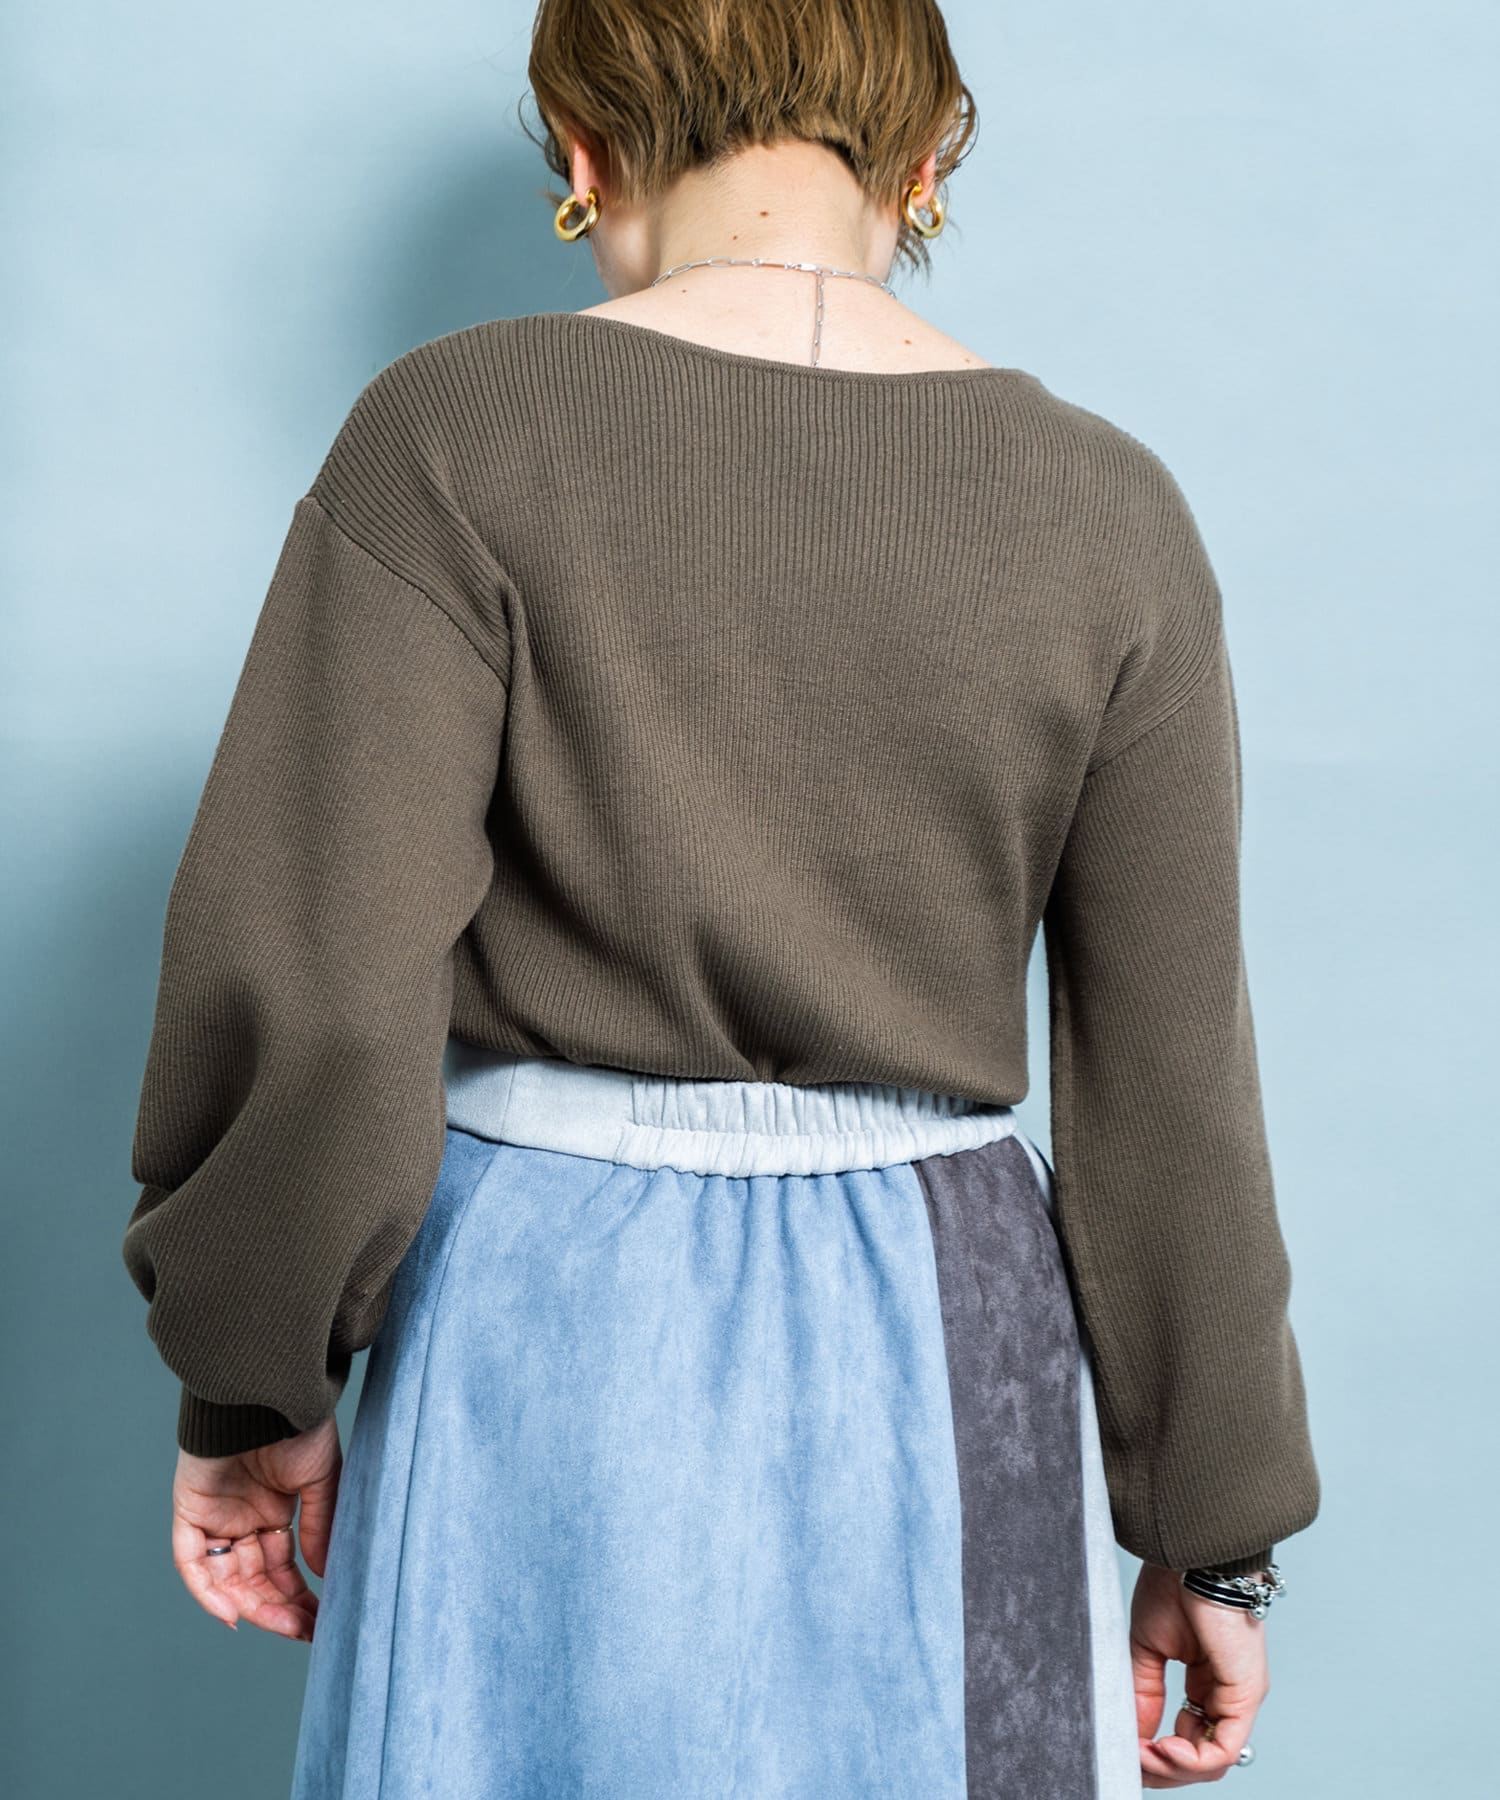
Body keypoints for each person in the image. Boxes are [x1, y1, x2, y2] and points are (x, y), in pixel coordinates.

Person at [121, 2, 1321, 1794]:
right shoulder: (1111, 509)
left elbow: (321, 984)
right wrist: (1213, 1534)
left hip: (541, 1306)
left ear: (583, 148)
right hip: (953, 1331)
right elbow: (1171, 1090)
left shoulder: (451, 434)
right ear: (930, 161)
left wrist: (255, 1379)